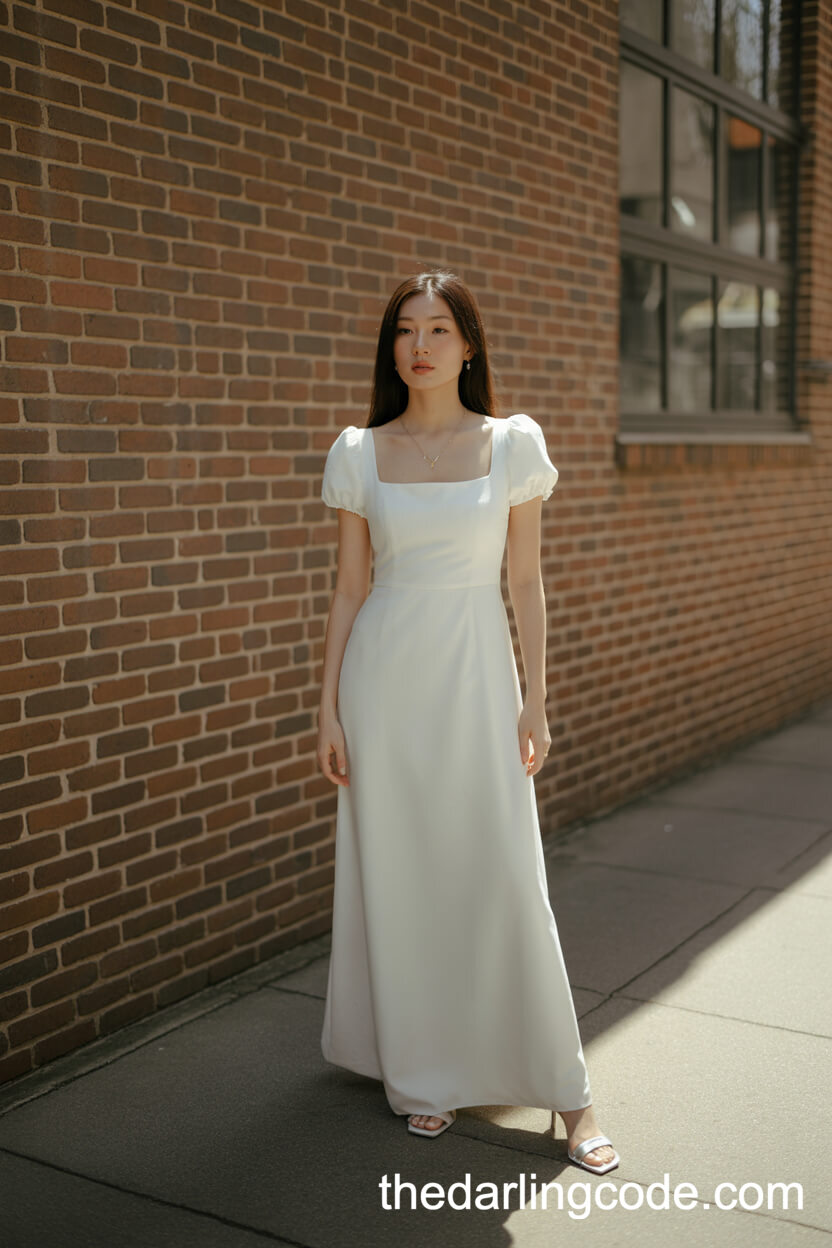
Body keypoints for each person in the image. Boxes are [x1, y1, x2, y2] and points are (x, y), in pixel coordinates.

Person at [316, 269, 619, 1175]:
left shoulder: (513, 443)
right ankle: (424, 1075)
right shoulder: (360, 452)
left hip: (481, 676)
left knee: (505, 871)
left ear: (468, 345)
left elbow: (524, 582)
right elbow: (349, 588)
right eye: (405, 329)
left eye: (438, 328)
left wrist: (536, 695)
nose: (419, 344)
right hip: (385, 682)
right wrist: (326, 704)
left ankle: (569, 1093)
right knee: (404, 876)